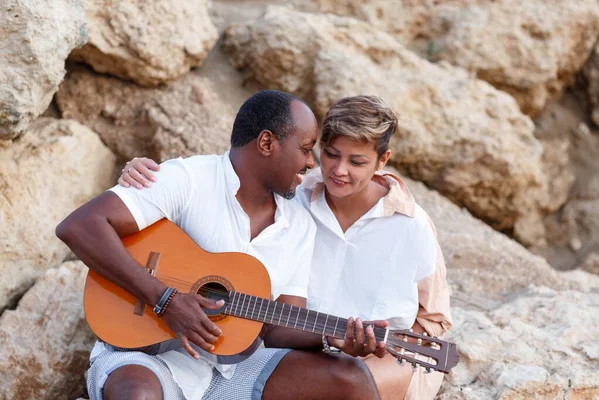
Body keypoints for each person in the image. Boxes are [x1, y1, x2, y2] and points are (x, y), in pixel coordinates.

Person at [56, 90, 387, 400]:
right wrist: (165, 301)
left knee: (352, 378)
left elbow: (276, 326)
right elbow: (81, 226)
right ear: (267, 143)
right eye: (304, 148)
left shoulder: (299, 224)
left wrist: (333, 337)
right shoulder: (188, 179)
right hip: (146, 356)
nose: (311, 162)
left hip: (237, 369)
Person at [119, 95, 453, 399]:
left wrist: (375, 349)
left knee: (356, 381)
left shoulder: (412, 226)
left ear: (382, 161)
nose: (338, 171)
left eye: (357, 162)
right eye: (331, 155)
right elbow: (242, 169)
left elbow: (434, 320)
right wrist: (145, 178)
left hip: (368, 356)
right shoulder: (294, 196)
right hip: (288, 346)